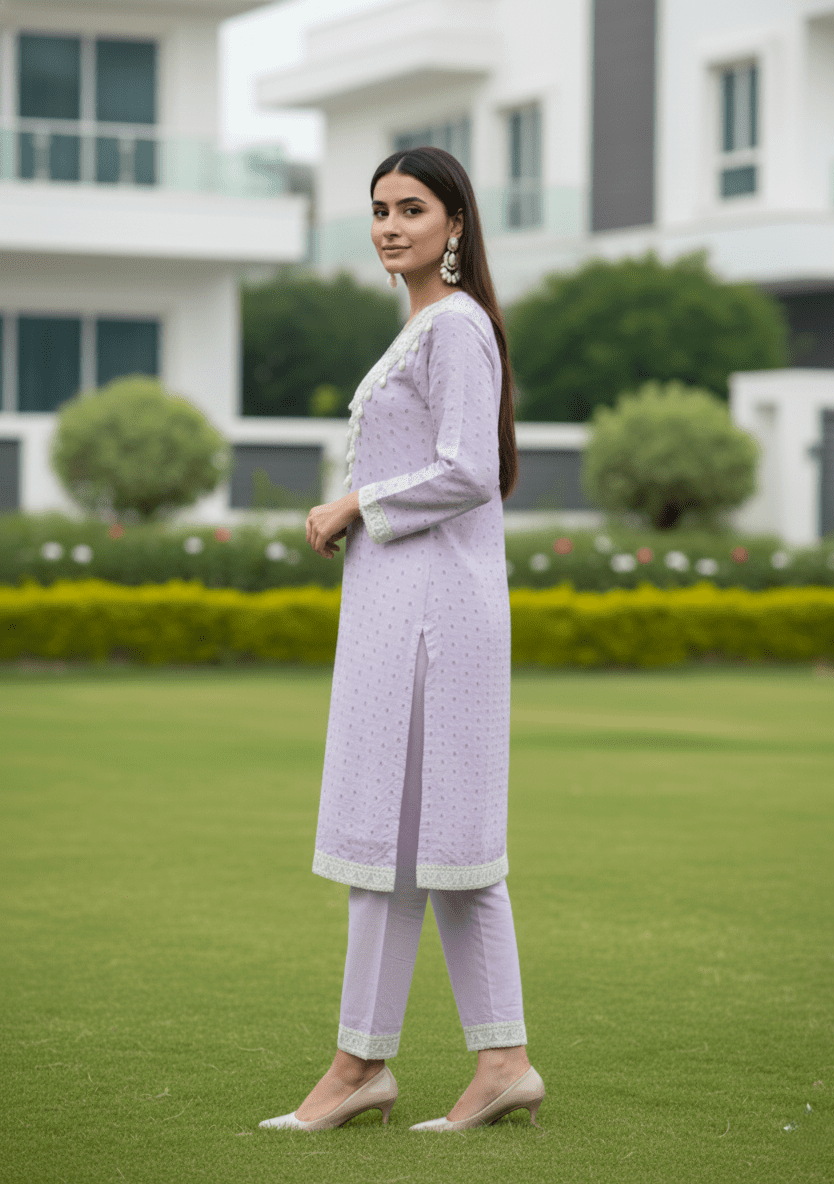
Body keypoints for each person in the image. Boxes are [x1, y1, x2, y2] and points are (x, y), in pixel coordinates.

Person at [259, 146, 544, 1133]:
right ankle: (498, 1060)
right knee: (433, 847)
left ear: (454, 223)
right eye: (379, 208)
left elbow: (469, 471)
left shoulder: (454, 326)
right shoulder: (425, 326)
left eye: (412, 208)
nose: (390, 225)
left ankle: (359, 1066)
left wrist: (353, 502)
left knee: (400, 842)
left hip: (430, 621)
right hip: (404, 612)